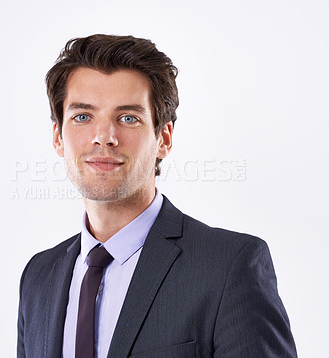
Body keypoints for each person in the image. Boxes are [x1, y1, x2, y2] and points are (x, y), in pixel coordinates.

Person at [17, 34, 297, 358]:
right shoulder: (38, 276)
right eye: (83, 116)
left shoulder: (229, 268)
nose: (103, 137)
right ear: (58, 137)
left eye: (128, 118)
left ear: (163, 138)